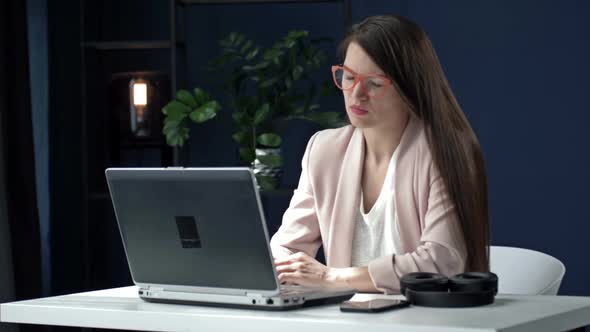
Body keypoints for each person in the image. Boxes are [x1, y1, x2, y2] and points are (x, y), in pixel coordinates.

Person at [270, 14, 490, 294]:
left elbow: (440, 262)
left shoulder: (444, 150)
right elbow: (286, 247)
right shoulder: (324, 150)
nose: (356, 94)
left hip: (426, 320)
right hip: (346, 319)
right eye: (348, 77)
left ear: (409, 85)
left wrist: (333, 278)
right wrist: (281, 266)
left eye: (373, 83)